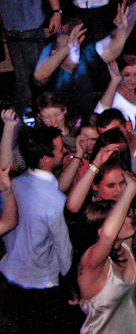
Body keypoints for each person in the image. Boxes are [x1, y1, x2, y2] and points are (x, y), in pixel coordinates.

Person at [0, 126, 75, 333]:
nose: (65, 151)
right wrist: (71, 286)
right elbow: (63, 251)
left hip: (9, 274)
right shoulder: (55, 200)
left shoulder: (16, 183)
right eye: (60, 149)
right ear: (46, 159)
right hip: (42, 284)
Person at [76, 171, 136, 334]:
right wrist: (130, 189)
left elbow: (124, 274)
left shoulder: (124, 245)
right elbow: (108, 235)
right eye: (121, 219)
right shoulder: (91, 265)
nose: (129, 219)